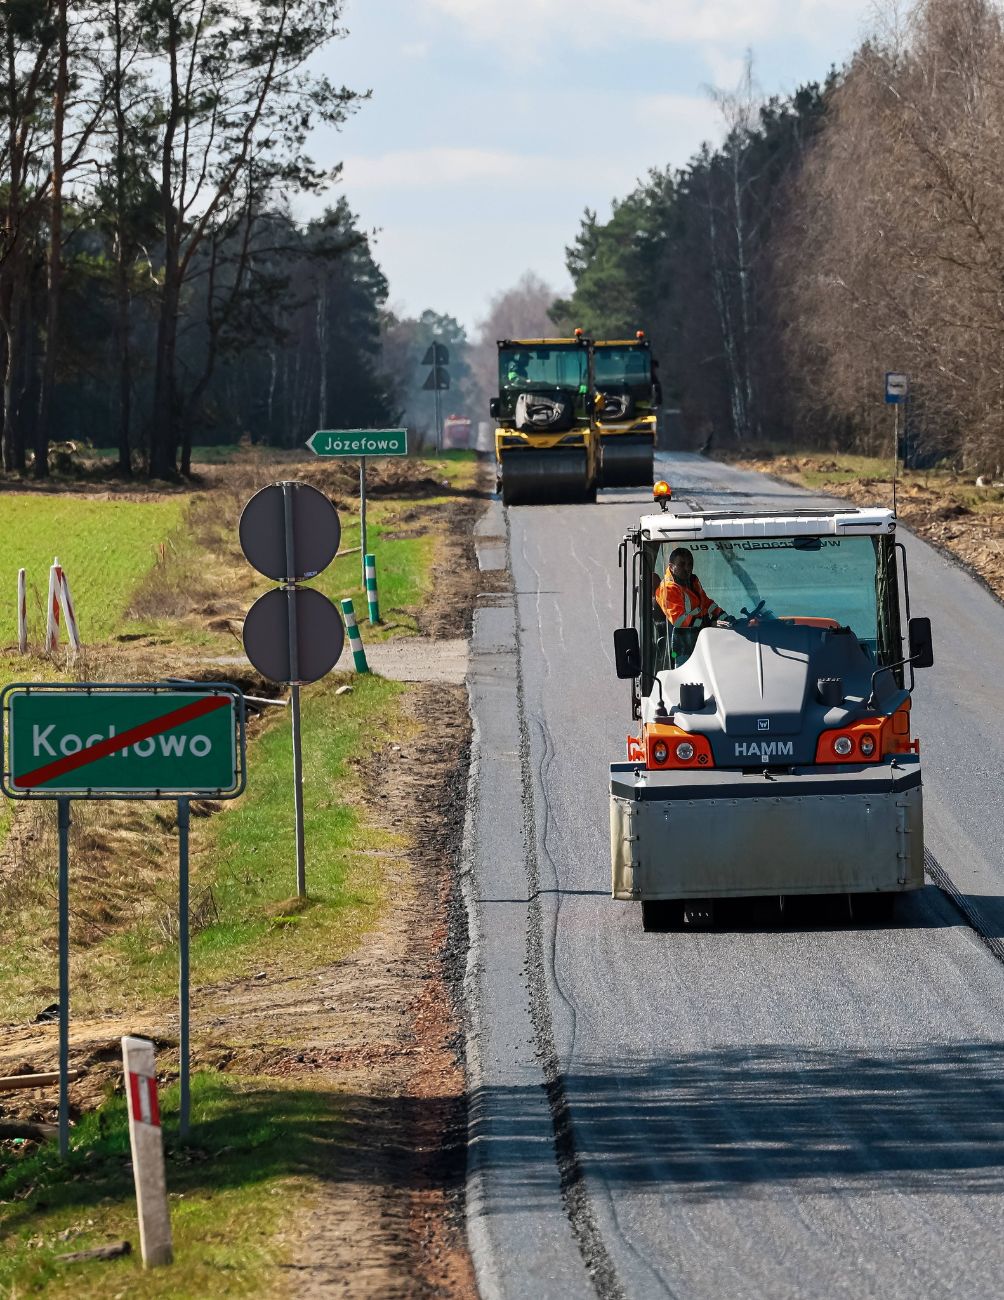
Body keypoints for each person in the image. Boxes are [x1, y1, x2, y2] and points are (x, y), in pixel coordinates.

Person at [655, 547, 729, 627]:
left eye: (690, 564)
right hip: (682, 636)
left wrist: (725, 617)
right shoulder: (667, 588)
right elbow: (679, 620)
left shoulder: (692, 581)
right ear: (671, 567)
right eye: (681, 564)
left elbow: (707, 603)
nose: (687, 568)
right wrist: (709, 624)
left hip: (698, 632)